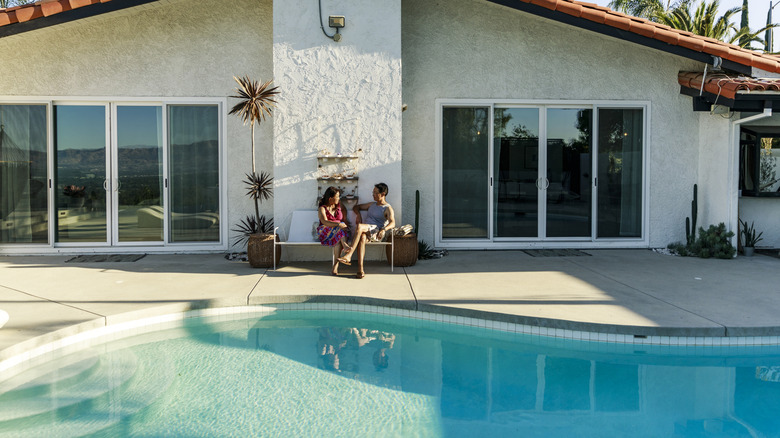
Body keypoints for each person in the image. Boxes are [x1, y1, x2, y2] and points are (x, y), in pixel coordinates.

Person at [337, 183, 395, 279]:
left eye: (375, 193)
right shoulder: (372, 205)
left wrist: (384, 229)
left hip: (376, 232)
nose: (373, 195)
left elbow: (393, 223)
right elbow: (356, 207)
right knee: (362, 238)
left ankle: (349, 255)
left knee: (359, 226)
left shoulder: (387, 208)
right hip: (367, 231)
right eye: (373, 192)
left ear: (383, 194)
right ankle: (360, 270)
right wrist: (358, 215)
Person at [317, 187, 351, 276]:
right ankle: (345, 245)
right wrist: (338, 224)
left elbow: (344, 210)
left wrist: (345, 219)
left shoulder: (339, 205)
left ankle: (335, 267)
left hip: (338, 234)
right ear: (330, 198)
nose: (339, 198)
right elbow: (324, 221)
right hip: (325, 232)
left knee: (338, 241)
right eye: (337, 196)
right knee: (340, 227)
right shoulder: (322, 208)